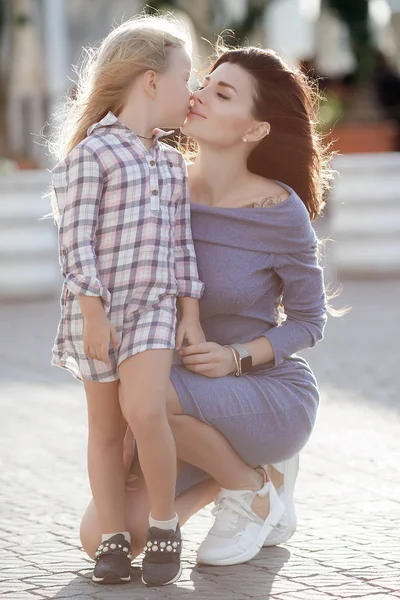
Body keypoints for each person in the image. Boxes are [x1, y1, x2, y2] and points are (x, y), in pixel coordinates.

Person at [80, 43, 332, 572]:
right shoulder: (160, 182)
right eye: (203, 83)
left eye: (222, 93)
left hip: (261, 390)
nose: (198, 96)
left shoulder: (280, 210)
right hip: (169, 394)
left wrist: (237, 356)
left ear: (256, 128)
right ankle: (236, 477)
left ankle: (251, 487)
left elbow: (311, 321)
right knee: (102, 535)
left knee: (144, 397)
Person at [50, 15, 208, 587]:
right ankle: (114, 540)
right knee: (106, 431)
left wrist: (189, 314)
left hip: (155, 309)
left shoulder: (170, 161)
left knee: (145, 412)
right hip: (97, 313)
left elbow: (182, 245)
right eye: (184, 78)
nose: (190, 93)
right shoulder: (91, 155)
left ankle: (165, 525)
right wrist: (92, 311)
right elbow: (75, 242)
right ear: (149, 81)